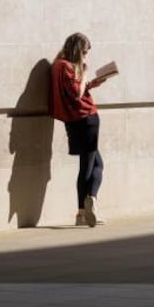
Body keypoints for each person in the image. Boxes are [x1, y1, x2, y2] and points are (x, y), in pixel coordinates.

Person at [50, 33, 106, 227]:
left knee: (92, 163)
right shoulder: (67, 66)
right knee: (92, 166)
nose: (85, 56)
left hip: (72, 121)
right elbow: (76, 93)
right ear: (77, 49)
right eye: (84, 51)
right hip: (87, 119)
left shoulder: (57, 65)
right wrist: (85, 74)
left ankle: (82, 213)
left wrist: (91, 84)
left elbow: (72, 91)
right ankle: (89, 202)